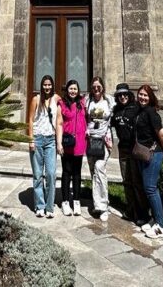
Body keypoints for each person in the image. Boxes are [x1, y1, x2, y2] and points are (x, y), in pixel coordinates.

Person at [134, 84, 163, 238]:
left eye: (145, 95)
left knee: (151, 188)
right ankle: (154, 219)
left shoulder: (151, 112)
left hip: (154, 154)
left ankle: (161, 226)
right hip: (144, 154)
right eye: (140, 94)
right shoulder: (140, 111)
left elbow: (162, 135)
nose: (142, 97)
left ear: (150, 98)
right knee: (147, 188)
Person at [110, 82, 150, 228]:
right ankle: (130, 209)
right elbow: (107, 124)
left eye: (125, 94)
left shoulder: (136, 108)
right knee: (126, 180)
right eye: (119, 95)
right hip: (123, 149)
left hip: (135, 149)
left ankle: (142, 213)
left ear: (129, 95)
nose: (122, 97)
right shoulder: (116, 111)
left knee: (137, 182)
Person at [27, 74, 62, 218]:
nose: (47, 87)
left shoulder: (57, 99)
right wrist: (30, 140)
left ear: (52, 85)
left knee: (51, 173)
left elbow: (60, 119)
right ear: (41, 86)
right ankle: (40, 205)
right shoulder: (35, 99)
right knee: (37, 174)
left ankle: (49, 206)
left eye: (49, 85)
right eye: (44, 85)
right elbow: (30, 120)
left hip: (50, 141)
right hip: (38, 138)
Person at [84, 76, 114, 221]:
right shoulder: (87, 101)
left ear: (102, 87)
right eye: (94, 86)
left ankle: (103, 206)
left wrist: (110, 138)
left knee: (99, 168)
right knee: (93, 172)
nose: (96, 89)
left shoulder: (109, 100)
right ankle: (97, 203)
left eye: (98, 86)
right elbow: (82, 117)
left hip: (104, 141)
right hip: (90, 142)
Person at [58, 79, 87, 216]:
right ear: (67, 89)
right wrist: (59, 143)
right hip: (67, 142)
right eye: (71, 88)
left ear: (78, 90)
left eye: (75, 89)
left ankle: (76, 201)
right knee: (66, 171)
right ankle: (65, 202)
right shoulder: (62, 104)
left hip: (80, 142)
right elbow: (58, 123)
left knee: (77, 172)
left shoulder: (82, 103)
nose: (73, 91)